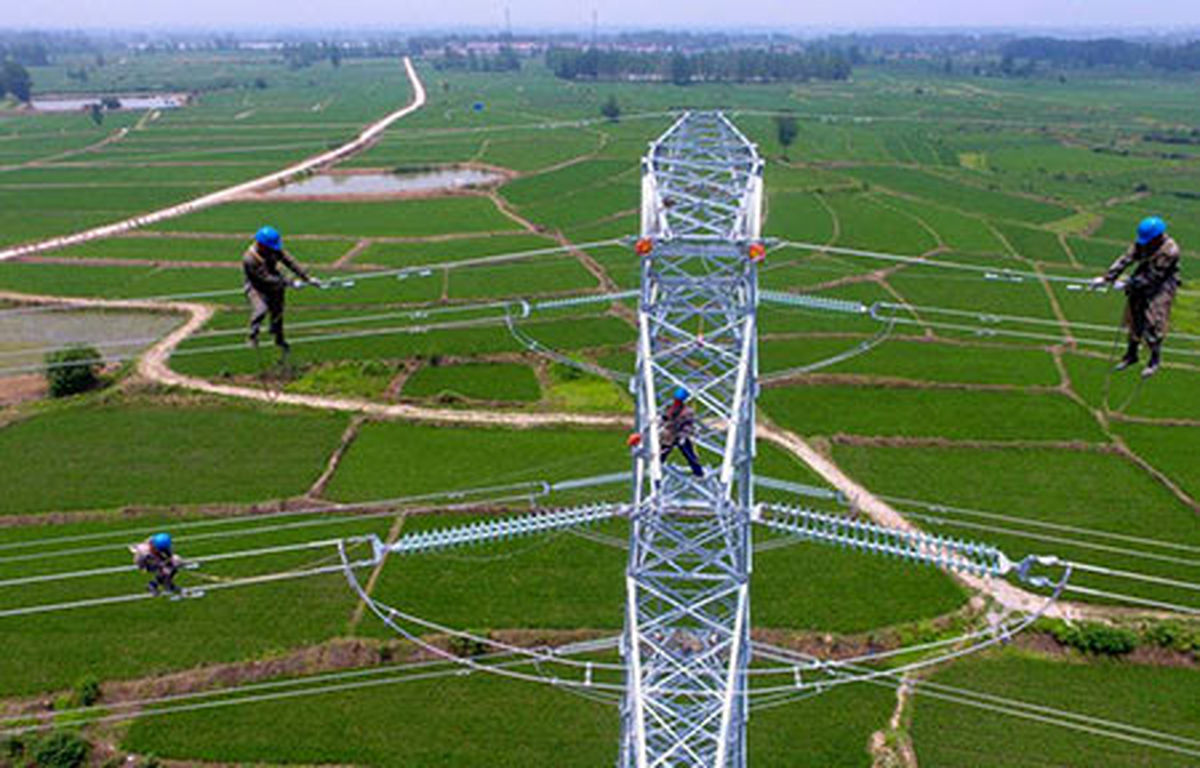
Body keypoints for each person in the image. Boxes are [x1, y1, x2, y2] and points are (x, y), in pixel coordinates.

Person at [1090, 216, 1181, 378]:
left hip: (1161, 284)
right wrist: (1107, 278)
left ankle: (1154, 360)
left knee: (1154, 321)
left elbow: (1154, 277)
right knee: (1134, 318)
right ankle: (1131, 355)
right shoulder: (1144, 242)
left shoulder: (1169, 251)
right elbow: (1126, 259)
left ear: (1158, 237)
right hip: (1141, 278)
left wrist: (1128, 284)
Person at [243, 225, 318, 353]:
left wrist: (307, 278)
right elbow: (265, 278)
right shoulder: (250, 259)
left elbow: (289, 262)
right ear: (261, 244)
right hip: (257, 286)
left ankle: (278, 338)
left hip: (277, 284)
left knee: (278, 312)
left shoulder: (272, 249)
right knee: (261, 310)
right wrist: (290, 282)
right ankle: (253, 335)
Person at [659, 386, 704, 477]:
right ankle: (656, 472)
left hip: (680, 436)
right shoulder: (670, 408)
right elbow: (664, 419)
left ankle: (698, 473)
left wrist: (683, 436)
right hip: (669, 436)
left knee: (690, 456)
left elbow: (688, 426)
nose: (676, 402)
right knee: (661, 455)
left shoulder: (687, 412)